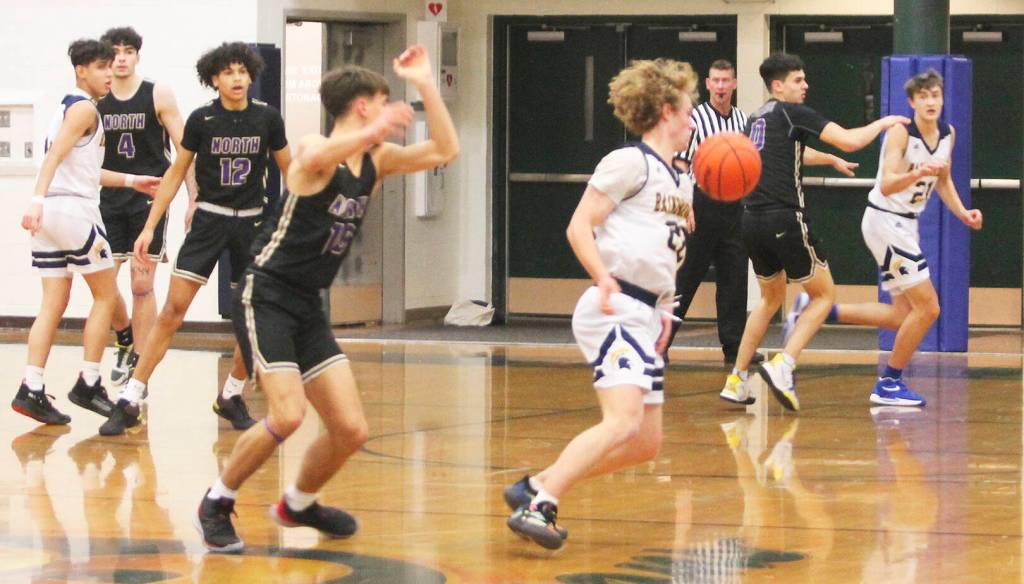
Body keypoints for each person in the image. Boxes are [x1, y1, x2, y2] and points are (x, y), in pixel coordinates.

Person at [193, 45, 457, 553]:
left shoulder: (375, 162)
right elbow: (313, 157)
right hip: (265, 293)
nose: (386, 112)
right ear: (363, 107)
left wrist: (426, 84)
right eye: (383, 102)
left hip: (308, 303)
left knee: (351, 429)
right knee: (288, 415)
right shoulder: (317, 151)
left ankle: (297, 502)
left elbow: (445, 150)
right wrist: (373, 132)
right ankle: (218, 501)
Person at [504, 58, 697, 550]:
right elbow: (579, 224)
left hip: (649, 312)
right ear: (667, 110)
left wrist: (668, 312)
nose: (693, 121)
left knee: (644, 443)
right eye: (689, 110)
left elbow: (664, 256)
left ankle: (536, 483)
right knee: (623, 420)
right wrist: (602, 277)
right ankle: (540, 501)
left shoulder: (681, 179)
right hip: (615, 306)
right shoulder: (629, 162)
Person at [100, 42, 292, 436]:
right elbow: (174, 174)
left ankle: (232, 395)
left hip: (253, 225)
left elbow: (293, 172)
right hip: (209, 221)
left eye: (242, 71)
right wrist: (150, 225)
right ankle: (131, 397)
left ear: (251, 75)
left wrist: (298, 223)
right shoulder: (202, 120)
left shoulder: (268, 119)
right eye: (228, 72)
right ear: (214, 79)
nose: (237, 78)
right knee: (172, 311)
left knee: (249, 320)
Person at [723, 52, 910, 412]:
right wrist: (883, 122)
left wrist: (829, 160)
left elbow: (789, 152)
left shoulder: (757, 118)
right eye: (798, 80)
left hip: (751, 219)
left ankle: (736, 378)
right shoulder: (793, 112)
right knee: (823, 296)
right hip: (784, 218)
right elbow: (851, 140)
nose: (805, 85)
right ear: (778, 85)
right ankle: (783, 364)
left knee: (769, 299)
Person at [785, 69, 982, 406]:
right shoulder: (900, 133)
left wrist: (962, 212)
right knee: (929, 308)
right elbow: (888, 182)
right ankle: (889, 383)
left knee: (901, 315)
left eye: (936, 95)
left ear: (943, 98)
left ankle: (816, 311)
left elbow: (943, 179)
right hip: (885, 220)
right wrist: (917, 172)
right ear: (912, 102)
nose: (931, 101)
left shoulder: (948, 133)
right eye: (923, 96)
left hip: (906, 223)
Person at [11, 39, 160, 425]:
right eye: (101, 68)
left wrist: (131, 180)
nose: (109, 74)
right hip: (73, 212)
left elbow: (86, 170)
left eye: (112, 67)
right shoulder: (83, 109)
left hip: (52, 218)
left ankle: (31, 387)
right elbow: (55, 156)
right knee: (107, 297)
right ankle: (90, 381)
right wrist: (35, 199)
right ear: (81, 70)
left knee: (52, 304)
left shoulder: (63, 109)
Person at [96, 26, 197, 386]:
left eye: (127, 51)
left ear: (138, 55)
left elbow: (185, 150)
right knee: (104, 286)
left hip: (149, 199)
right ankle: (123, 336)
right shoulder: (96, 99)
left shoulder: (157, 93)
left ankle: (139, 365)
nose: (121, 58)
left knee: (141, 285)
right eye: (115, 52)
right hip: (108, 199)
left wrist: (193, 198)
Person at [669, 59, 760, 368]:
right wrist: (684, 205)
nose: (721, 86)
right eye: (716, 81)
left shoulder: (743, 120)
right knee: (685, 277)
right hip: (700, 204)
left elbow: (750, 163)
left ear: (734, 84)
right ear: (708, 84)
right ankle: (660, 343)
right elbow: (680, 164)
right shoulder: (695, 118)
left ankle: (735, 348)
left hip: (735, 206)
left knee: (735, 279)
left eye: (726, 81)